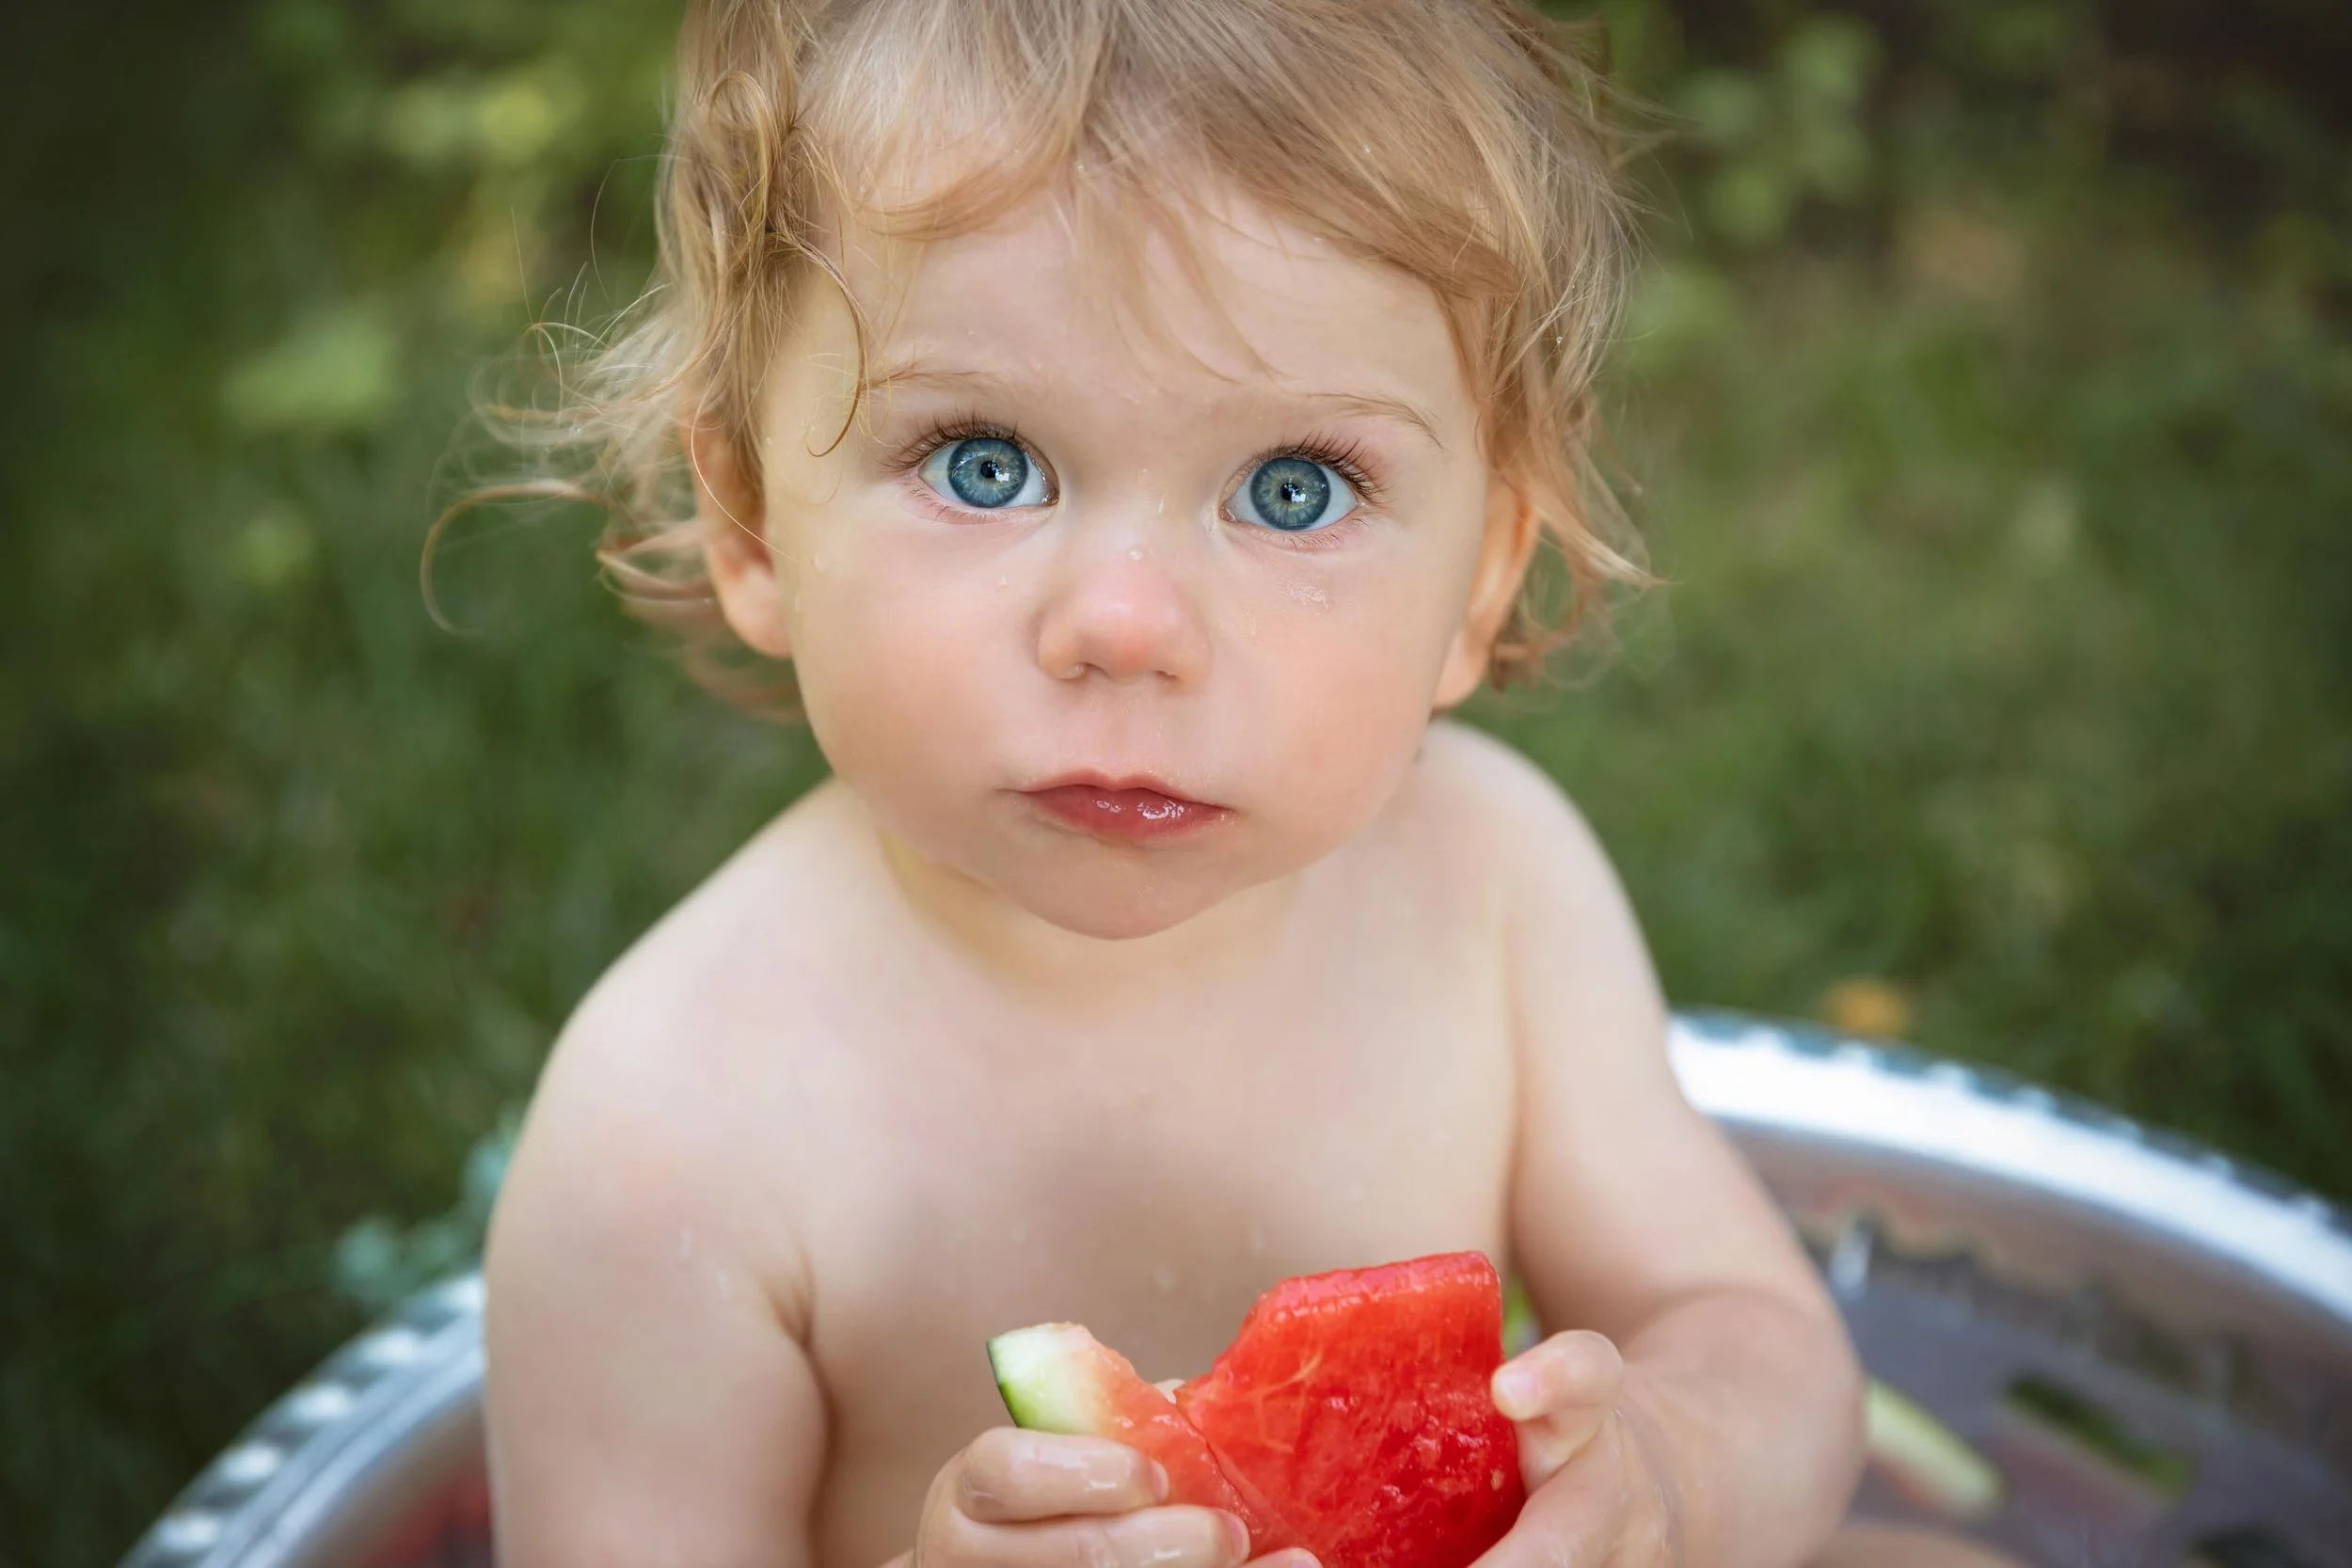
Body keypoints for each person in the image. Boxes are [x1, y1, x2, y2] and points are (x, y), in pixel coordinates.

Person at [481, 3, 2012, 1564]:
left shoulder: (1487, 885)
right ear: (748, 520)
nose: (1128, 626)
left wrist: (1673, 1472)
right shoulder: (669, 1126)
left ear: (1482, 574)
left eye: (1295, 490)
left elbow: (1740, 1323)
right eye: (983, 463)